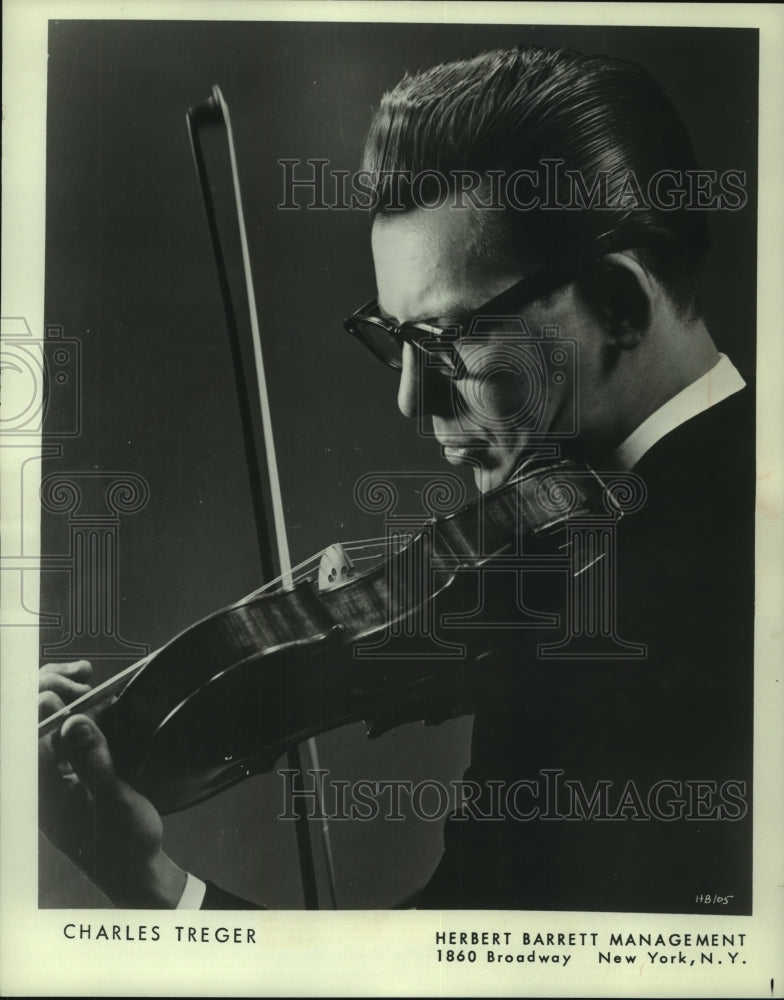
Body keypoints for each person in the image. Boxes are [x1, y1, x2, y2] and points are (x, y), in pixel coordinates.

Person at [39, 45, 754, 911]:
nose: (415, 402)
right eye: (396, 342)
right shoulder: (585, 550)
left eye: (449, 344)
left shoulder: (624, 607)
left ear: (618, 304)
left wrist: (151, 885)